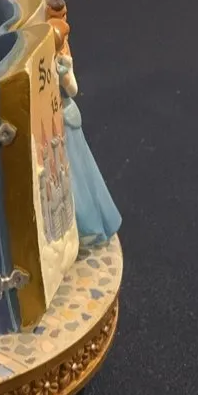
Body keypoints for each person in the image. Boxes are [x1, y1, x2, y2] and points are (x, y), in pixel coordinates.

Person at [50, 20, 122, 245]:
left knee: (77, 172)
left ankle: (89, 225)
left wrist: (65, 74)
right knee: (66, 175)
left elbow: (73, 90)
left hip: (65, 119)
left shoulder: (62, 63)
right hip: (53, 121)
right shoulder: (47, 64)